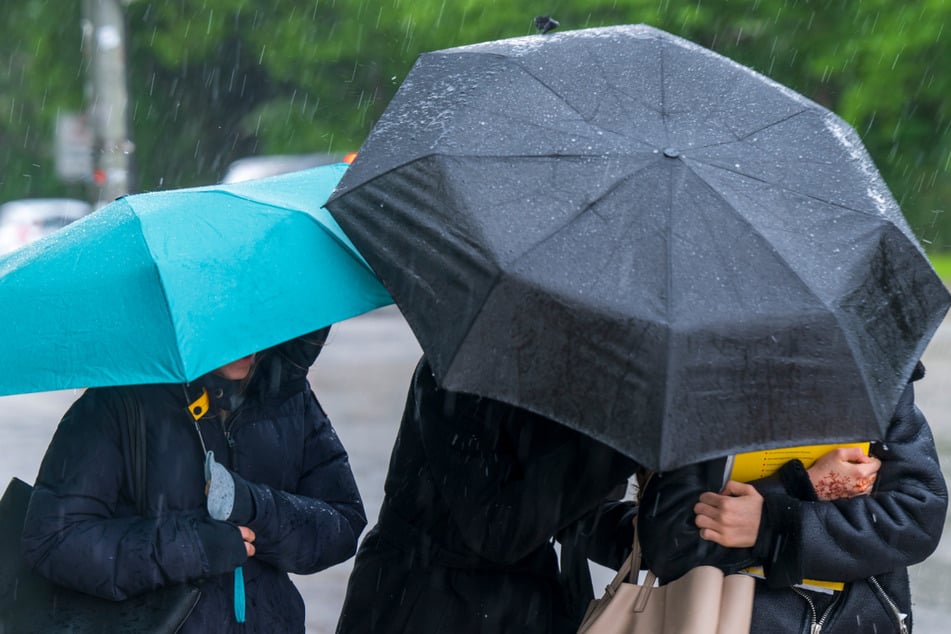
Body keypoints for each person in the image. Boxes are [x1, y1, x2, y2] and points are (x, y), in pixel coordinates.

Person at [21, 328, 366, 633]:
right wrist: (192, 547)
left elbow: (341, 523)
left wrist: (254, 506)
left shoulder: (289, 397)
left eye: (254, 317)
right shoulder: (117, 404)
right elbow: (55, 541)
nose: (247, 337)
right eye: (228, 319)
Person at [637, 362, 947, 633]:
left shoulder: (876, 373)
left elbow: (917, 517)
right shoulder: (699, 384)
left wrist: (774, 525)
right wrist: (794, 491)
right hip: (722, 620)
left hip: (855, 621)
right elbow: (667, 544)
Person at [335, 356, 637, 634]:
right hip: (422, 603)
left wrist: (651, 531)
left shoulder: (566, 376)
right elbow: (496, 528)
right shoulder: (457, 372)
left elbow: (574, 517)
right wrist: (610, 455)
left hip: (524, 609)